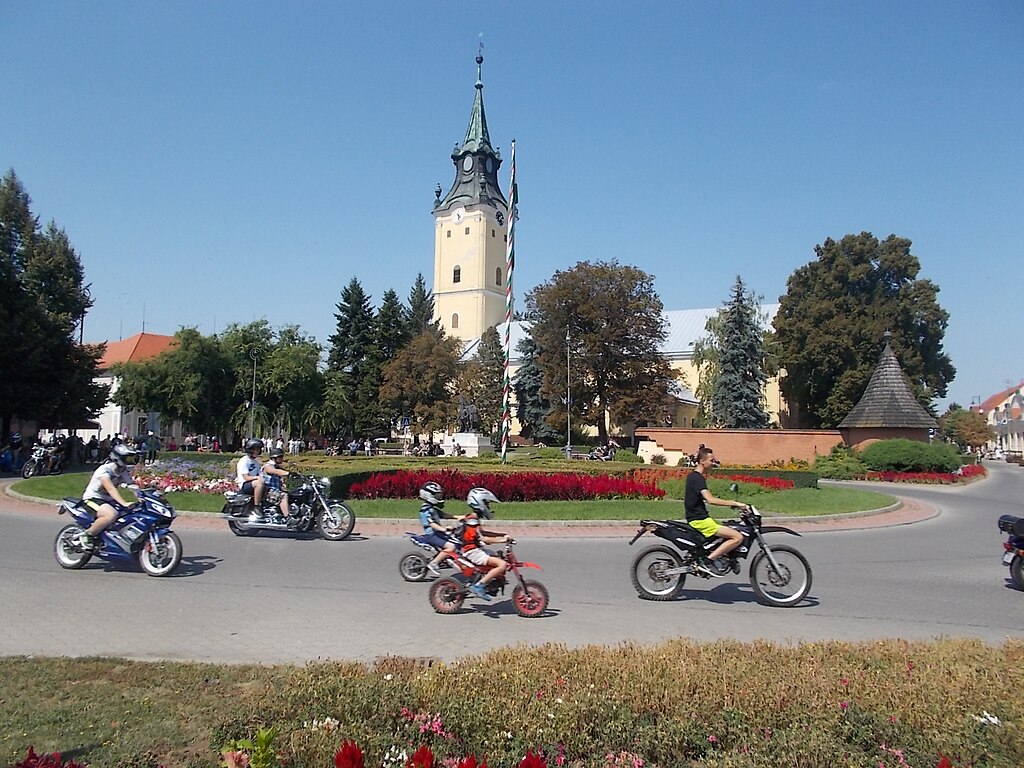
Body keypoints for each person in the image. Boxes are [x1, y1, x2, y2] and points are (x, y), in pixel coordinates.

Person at [684, 446, 748, 577]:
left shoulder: (695, 477)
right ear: (702, 461)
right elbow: (710, 499)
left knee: (727, 530)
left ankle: (729, 559)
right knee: (737, 537)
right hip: (699, 521)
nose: (714, 463)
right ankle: (707, 562)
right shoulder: (697, 478)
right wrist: (735, 503)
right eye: (712, 460)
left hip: (701, 518)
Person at [77, 444, 141, 550]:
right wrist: (124, 503)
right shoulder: (104, 470)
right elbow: (111, 489)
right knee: (111, 515)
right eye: (127, 458)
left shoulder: (122, 471)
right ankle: (87, 535)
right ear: (118, 458)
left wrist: (142, 498)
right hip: (93, 498)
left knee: (129, 514)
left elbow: (132, 485)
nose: (130, 461)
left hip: (108, 501)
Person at [456, 487, 511, 601]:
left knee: (498, 557)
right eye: (487, 503)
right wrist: (502, 540)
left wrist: (501, 534)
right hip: (472, 551)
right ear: (479, 502)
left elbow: (483, 532)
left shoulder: (474, 518)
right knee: (502, 565)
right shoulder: (472, 520)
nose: (488, 507)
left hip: (475, 549)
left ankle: (489, 583)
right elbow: (483, 538)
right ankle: (479, 586)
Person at [418, 482, 462, 575]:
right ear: (428, 495)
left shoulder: (432, 508)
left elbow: (444, 515)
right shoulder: (425, 509)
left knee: (457, 539)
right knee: (451, 546)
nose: (439, 497)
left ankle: (446, 558)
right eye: (436, 495)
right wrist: (444, 529)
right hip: (432, 535)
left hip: (437, 533)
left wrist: (459, 517)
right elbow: (432, 524)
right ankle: (434, 563)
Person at [262, 447, 293, 525]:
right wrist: (288, 473)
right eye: (280, 457)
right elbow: (275, 471)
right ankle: (288, 518)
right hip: (268, 491)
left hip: (275, 491)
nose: (282, 459)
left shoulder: (277, 466)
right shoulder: (268, 466)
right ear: (274, 457)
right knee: (283, 496)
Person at [236, 439, 266, 515]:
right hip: (244, 484)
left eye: (258, 449)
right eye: (255, 450)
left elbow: (260, 473)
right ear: (250, 450)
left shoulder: (256, 462)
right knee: (259, 484)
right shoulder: (244, 461)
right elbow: (246, 477)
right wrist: (257, 478)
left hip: (252, 483)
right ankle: (257, 507)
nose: (257, 451)